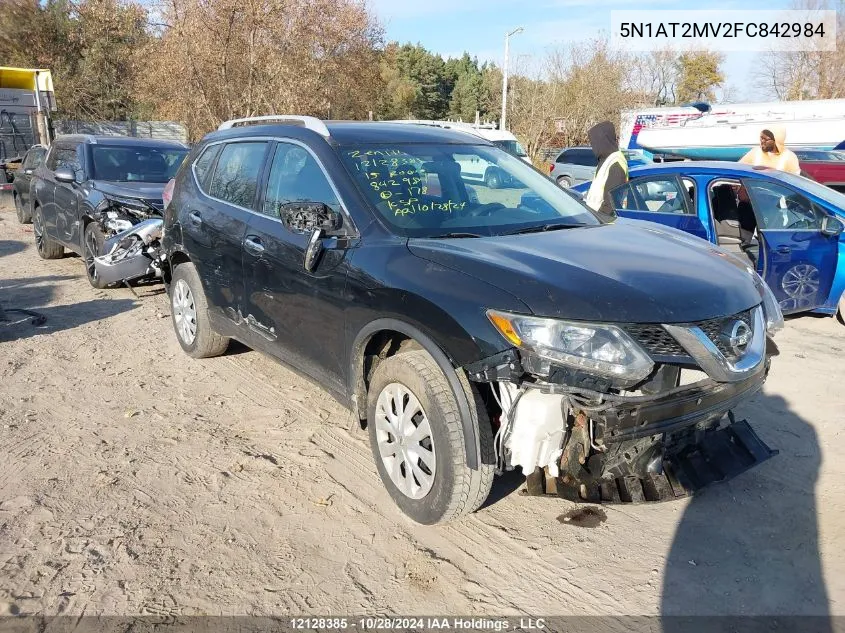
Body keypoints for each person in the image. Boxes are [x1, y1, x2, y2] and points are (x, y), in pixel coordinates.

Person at [584, 121, 628, 215]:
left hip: (603, 222)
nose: (593, 146)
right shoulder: (605, 160)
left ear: (603, 140)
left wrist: (598, 220)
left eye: (594, 142)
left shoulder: (616, 163)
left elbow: (610, 204)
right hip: (594, 218)